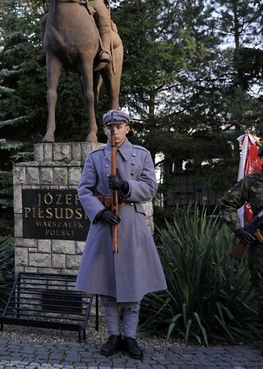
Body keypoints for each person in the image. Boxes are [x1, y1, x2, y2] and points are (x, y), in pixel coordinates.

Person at [76, 110, 166, 360]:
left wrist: (126, 186)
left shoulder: (142, 154)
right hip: (105, 224)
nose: (114, 131)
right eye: (109, 127)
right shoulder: (95, 157)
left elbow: (150, 188)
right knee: (107, 286)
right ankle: (114, 335)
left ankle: (131, 337)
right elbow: (84, 190)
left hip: (132, 226)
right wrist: (100, 212)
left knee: (133, 284)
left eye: (119, 126)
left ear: (127, 128)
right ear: (104, 130)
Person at [218, 139, 263, 359]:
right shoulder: (250, 182)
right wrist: (239, 230)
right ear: (260, 159)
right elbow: (227, 204)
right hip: (261, 245)